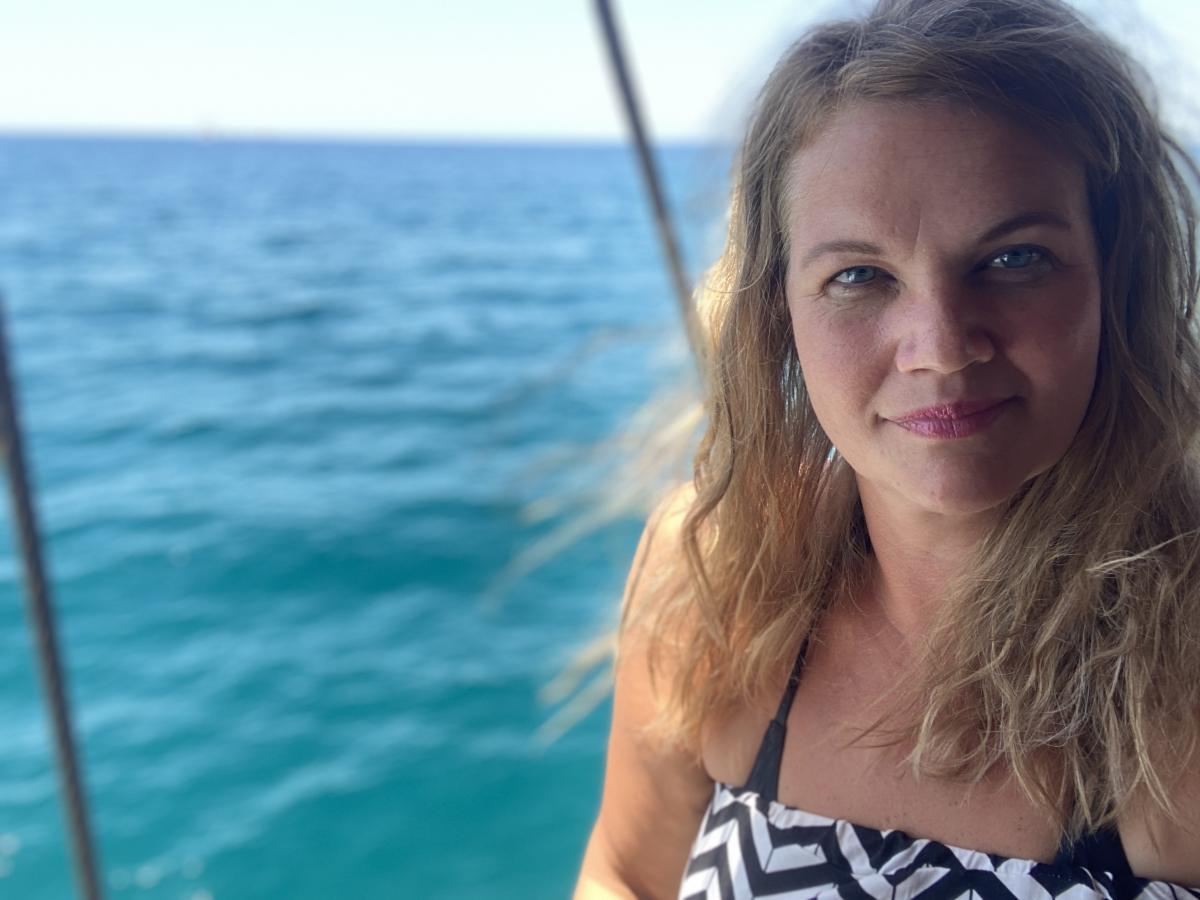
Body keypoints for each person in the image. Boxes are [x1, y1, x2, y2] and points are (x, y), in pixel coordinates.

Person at [572, 0, 1200, 897]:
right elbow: (627, 875)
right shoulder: (715, 575)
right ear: (777, 316)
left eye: (1014, 259)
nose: (940, 347)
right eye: (859, 275)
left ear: (1116, 278)